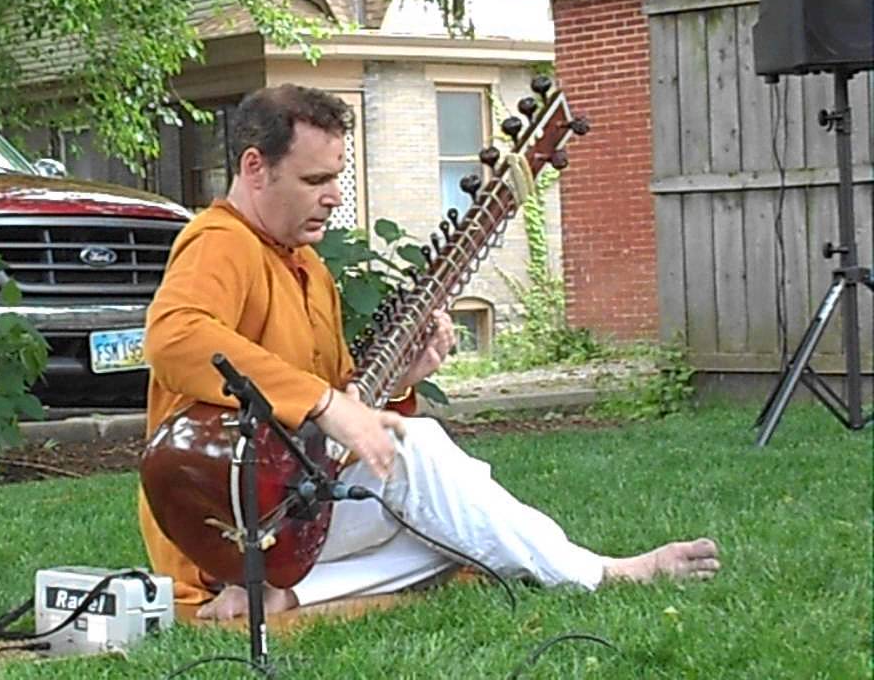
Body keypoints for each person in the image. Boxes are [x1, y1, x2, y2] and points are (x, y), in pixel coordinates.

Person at [138, 84, 720, 621]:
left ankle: (283, 593)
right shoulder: (221, 243)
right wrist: (324, 404)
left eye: (337, 178)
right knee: (418, 448)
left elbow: (335, 414)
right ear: (254, 168)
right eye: (314, 180)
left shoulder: (307, 265)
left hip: (292, 513)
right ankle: (601, 573)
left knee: (454, 535)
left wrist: (395, 384)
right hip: (223, 528)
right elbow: (175, 336)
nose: (334, 197)